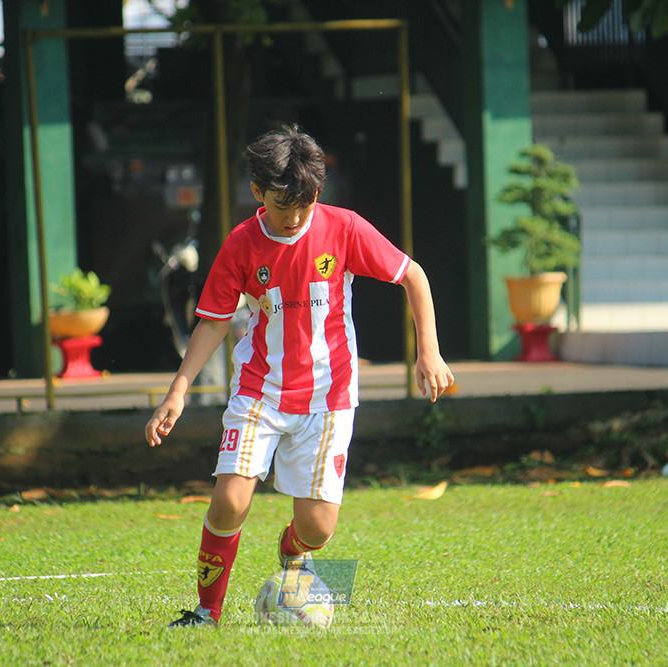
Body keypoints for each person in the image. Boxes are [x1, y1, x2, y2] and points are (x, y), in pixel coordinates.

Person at [145, 125, 454, 627]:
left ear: (318, 195)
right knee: (228, 500)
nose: (293, 220)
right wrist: (177, 392)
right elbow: (215, 320)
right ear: (257, 193)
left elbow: (412, 274)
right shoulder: (241, 243)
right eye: (282, 207)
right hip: (259, 391)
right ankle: (206, 612)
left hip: (328, 398)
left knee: (318, 527)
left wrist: (430, 352)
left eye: (304, 208)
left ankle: (296, 555)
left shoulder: (344, 228)